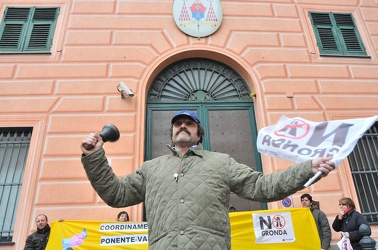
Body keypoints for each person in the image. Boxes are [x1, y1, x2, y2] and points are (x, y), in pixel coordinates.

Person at [80, 110, 336, 249]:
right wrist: (94, 157)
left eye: (189, 123)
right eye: (177, 123)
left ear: (198, 133)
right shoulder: (151, 168)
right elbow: (116, 195)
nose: (182, 126)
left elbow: (262, 186)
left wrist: (306, 169)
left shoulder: (220, 162)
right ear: (171, 133)